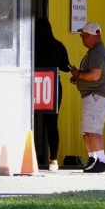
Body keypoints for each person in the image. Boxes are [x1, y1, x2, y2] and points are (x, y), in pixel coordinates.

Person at [69, 21, 105, 172]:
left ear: (89, 35)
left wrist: (78, 74)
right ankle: (93, 159)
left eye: (83, 36)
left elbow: (94, 76)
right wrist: (79, 77)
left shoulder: (97, 51)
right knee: (87, 132)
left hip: (96, 96)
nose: (82, 39)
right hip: (92, 96)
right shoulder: (95, 51)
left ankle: (102, 161)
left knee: (93, 131)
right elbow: (92, 75)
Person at [34, 17, 71, 171]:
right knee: (52, 124)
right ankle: (53, 160)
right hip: (53, 86)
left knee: (30, 122)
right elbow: (66, 67)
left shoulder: (31, 46)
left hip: (34, 85)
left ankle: (30, 157)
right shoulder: (58, 45)